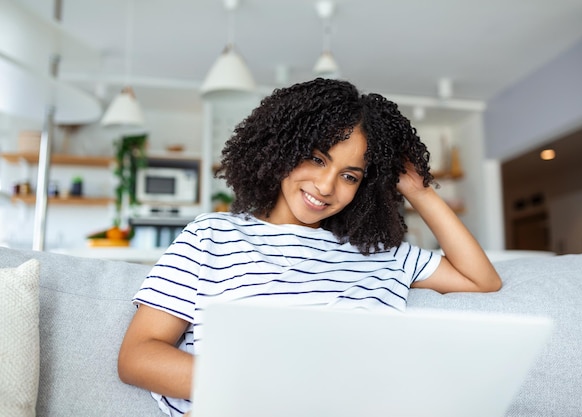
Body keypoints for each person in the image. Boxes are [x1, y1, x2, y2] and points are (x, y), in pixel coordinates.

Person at [118, 78, 501, 417]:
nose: (325, 186)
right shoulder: (212, 236)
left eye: (349, 175)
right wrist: (264, 388)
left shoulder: (382, 254)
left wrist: (419, 192)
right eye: (317, 158)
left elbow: (481, 280)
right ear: (284, 147)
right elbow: (138, 356)